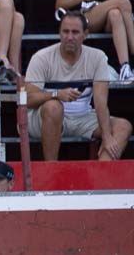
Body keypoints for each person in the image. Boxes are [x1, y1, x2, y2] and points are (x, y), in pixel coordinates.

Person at [24, 10, 131, 161]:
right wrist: (56, 95)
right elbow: (27, 99)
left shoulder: (97, 57)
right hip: (44, 118)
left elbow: (101, 103)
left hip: (82, 117)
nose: (69, 37)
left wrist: (107, 136)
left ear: (85, 34)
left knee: (123, 127)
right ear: (59, 33)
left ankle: (99, 178)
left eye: (75, 32)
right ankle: (51, 171)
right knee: (54, 107)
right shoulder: (41, 57)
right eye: (65, 32)